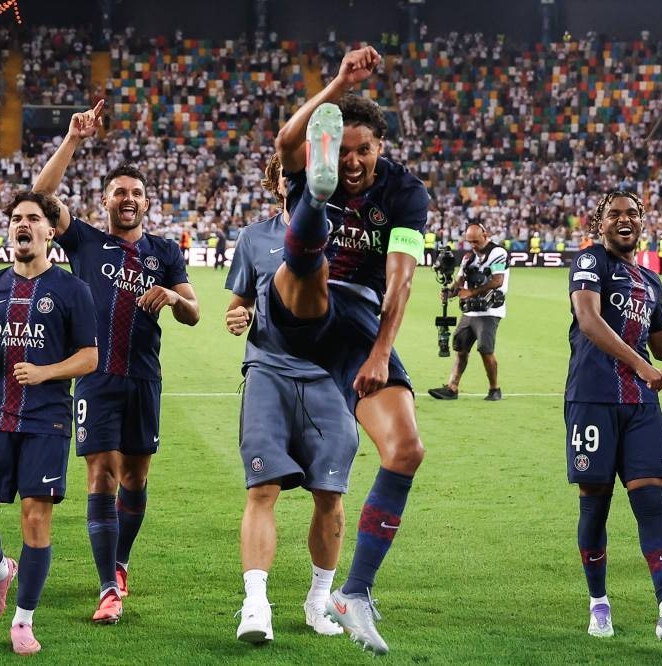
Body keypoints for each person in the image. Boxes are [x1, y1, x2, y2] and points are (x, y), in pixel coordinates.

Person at [268, 46, 429, 654]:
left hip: (357, 320)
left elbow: (401, 275)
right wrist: (336, 80)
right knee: (308, 271)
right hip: (297, 299)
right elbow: (286, 142)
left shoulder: (406, 194)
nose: (357, 160)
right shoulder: (304, 153)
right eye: (346, 149)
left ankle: (354, 591)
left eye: (364, 150)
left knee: (406, 449)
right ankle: (314, 200)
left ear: (381, 148)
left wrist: (382, 350)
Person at [33, 100, 201, 624]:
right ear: (105, 199)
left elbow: (195, 312)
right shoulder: (85, 241)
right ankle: (107, 586)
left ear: (146, 203)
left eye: (135, 194)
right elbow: (38, 197)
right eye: (119, 192)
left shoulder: (165, 252)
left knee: (135, 479)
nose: (127, 200)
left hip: (143, 378)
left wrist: (173, 300)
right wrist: (73, 140)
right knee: (100, 476)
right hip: (96, 378)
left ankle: (121, 562)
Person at [0, 191, 98, 655]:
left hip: (46, 420)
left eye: (33, 218)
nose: (22, 224)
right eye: (16, 218)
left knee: (36, 519)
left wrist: (45, 372)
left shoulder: (73, 289)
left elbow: (90, 357)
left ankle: (24, 621)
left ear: (51, 231)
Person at [226, 154, 357, 643]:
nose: (293, 178)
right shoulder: (253, 238)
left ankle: (318, 602)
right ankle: (255, 605)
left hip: (327, 378)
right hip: (267, 373)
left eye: (302, 170)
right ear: (276, 181)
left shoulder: (345, 234)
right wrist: (236, 317)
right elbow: (238, 305)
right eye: (286, 171)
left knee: (331, 494)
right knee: (262, 490)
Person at [567, 191, 662, 640]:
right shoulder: (590, 263)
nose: (624, 220)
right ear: (598, 223)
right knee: (596, 504)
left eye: (632, 214)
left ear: (642, 222)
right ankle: (599, 604)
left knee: (650, 499)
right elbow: (588, 319)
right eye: (613, 214)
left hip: (641, 403)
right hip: (593, 398)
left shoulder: (650, 281)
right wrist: (640, 365)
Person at [428, 222, 509, 401]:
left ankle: (494, 389)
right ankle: (452, 387)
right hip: (470, 311)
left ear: (485, 235)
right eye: (470, 242)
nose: (473, 245)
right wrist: (450, 292)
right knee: (460, 348)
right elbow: (460, 281)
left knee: (485, 349)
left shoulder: (497, 253)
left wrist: (471, 292)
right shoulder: (468, 258)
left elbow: (497, 281)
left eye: (476, 241)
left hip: (490, 310)